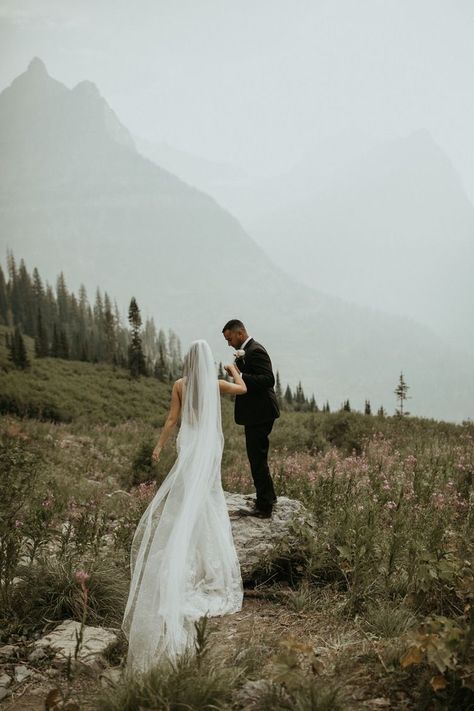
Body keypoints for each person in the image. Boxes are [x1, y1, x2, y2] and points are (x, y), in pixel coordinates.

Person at [121, 339, 246, 676]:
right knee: (206, 496)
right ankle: (207, 553)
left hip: (189, 443)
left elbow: (172, 419)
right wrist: (233, 368)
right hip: (208, 447)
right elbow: (243, 389)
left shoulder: (179, 384)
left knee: (189, 493)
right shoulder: (213, 383)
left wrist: (159, 447)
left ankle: (186, 539)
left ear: (187, 361)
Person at [222, 319, 280, 518]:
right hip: (256, 413)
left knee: (257, 459)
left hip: (261, 413)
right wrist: (239, 372)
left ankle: (264, 507)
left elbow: (268, 379)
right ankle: (268, 496)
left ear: (240, 333)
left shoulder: (256, 350)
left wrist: (238, 374)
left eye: (230, 339)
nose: (229, 344)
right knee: (257, 457)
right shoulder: (248, 351)